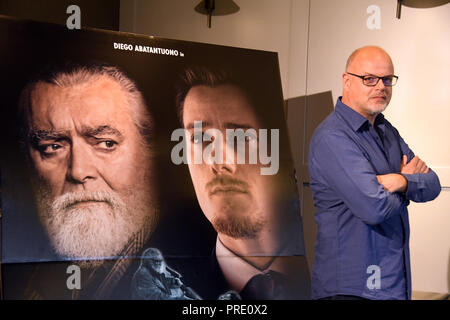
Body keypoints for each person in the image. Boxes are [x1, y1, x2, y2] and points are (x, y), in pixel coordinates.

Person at [12, 62, 159, 299]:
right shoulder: (30, 278)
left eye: (106, 143)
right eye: (53, 146)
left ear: (148, 154)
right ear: (27, 164)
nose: (79, 171)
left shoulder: (194, 261)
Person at [308, 46, 441, 300]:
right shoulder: (332, 137)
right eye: (369, 78)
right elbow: (374, 207)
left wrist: (400, 180)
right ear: (347, 81)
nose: (381, 86)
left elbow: (433, 183)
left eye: (387, 79)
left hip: (392, 285)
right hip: (351, 290)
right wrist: (408, 188)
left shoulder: (386, 129)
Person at [174, 66, 311, 300]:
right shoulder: (168, 289)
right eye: (199, 138)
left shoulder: (334, 269)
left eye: (242, 137)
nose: (220, 162)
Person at [132, 248, 201, 300]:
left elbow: (158, 283)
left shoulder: (153, 271)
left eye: (160, 261)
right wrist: (179, 298)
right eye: (156, 261)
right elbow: (156, 296)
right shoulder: (143, 274)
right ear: (147, 261)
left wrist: (172, 282)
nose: (159, 264)